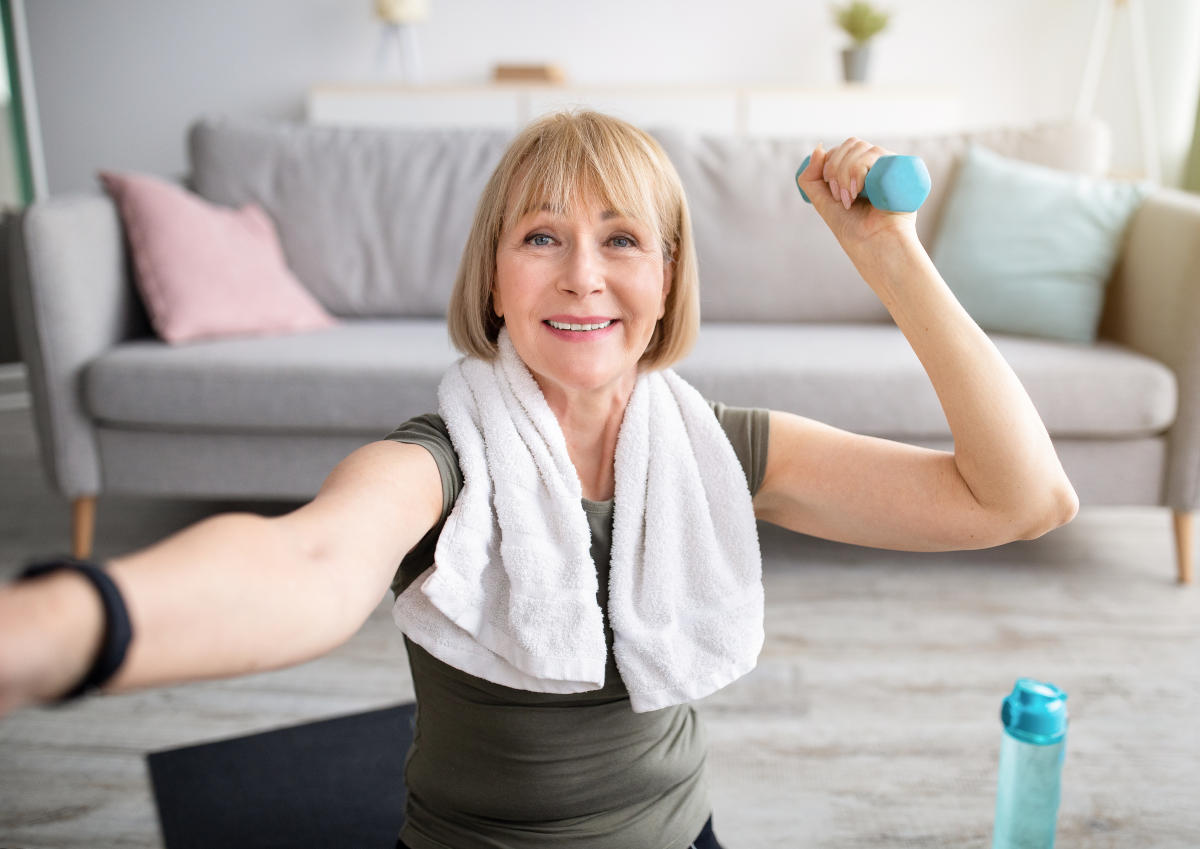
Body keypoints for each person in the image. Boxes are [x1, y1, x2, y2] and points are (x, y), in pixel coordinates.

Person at [0, 111, 1078, 848]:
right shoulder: (442, 461)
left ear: (664, 279)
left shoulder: (722, 448)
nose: (582, 275)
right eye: (542, 237)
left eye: (622, 240)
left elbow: (1020, 499)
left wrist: (888, 252)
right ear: (496, 279)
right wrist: (54, 629)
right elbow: (309, 561)